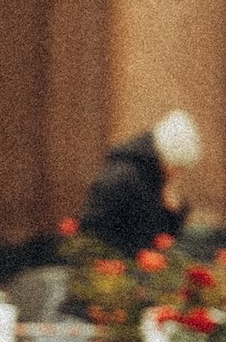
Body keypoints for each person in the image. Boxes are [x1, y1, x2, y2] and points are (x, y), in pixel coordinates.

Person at [79, 107, 203, 257]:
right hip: (115, 271)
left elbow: (160, 234)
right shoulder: (121, 178)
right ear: (165, 158)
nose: (178, 174)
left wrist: (173, 213)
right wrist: (137, 254)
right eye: (178, 167)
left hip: (139, 269)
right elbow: (95, 232)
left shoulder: (152, 180)